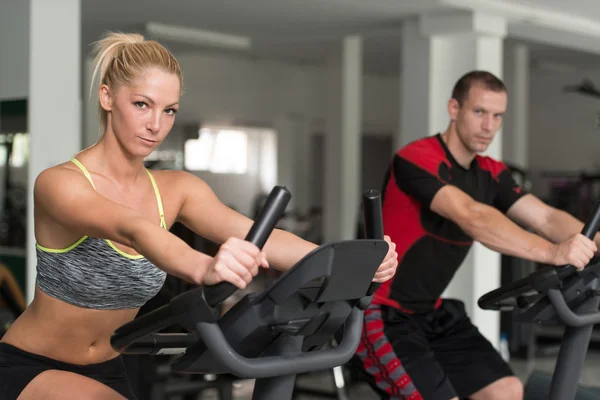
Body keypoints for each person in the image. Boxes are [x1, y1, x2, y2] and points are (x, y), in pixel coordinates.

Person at [0, 32, 399, 400]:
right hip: (30, 366)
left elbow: (257, 236)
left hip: (109, 367)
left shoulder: (177, 189)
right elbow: (134, 229)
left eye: (169, 110)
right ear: (107, 98)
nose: (156, 124)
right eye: (142, 104)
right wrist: (205, 267)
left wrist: (352, 261)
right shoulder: (60, 184)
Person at [354, 70, 599, 400]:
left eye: (497, 115)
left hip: (433, 313)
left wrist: (594, 240)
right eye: (479, 112)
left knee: (507, 390)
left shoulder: (492, 172)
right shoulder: (416, 158)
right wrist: (553, 253)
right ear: (454, 109)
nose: (489, 126)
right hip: (383, 314)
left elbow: (546, 216)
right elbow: (472, 216)